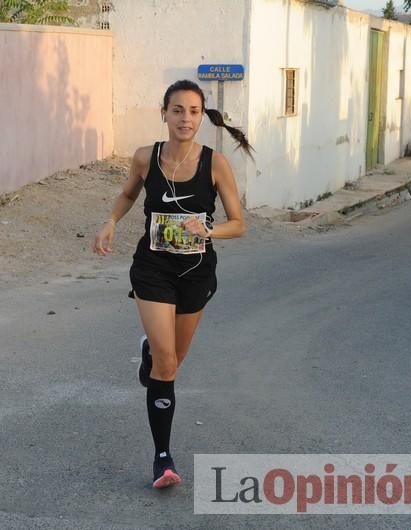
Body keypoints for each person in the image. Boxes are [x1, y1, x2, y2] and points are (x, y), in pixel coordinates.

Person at [92, 79, 252, 489]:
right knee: (167, 365)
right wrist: (111, 221)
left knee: (172, 362)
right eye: (177, 110)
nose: (185, 118)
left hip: (195, 273)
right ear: (163, 113)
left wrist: (207, 230)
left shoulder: (214, 164)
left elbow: (239, 224)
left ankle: (152, 349)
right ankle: (163, 459)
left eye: (193, 111)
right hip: (153, 270)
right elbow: (128, 194)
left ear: (202, 117)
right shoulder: (146, 157)